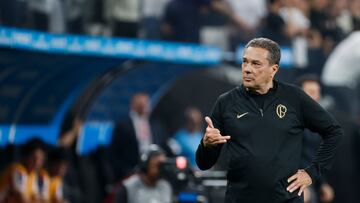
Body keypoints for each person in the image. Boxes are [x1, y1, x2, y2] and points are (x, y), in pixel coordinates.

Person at [195, 38, 343, 203]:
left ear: (273, 69)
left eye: (256, 64)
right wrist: (206, 145)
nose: (248, 69)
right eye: (245, 62)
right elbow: (203, 163)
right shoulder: (226, 102)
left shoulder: (294, 98)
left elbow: (334, 132)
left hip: (286, 199)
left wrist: (312, 173)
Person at [108, 93, 167, 182]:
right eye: (141, 104)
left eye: (146, 103)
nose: (144, 106)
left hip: (154, 172)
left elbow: (163, 145)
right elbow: (114, 152)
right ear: (133, 105)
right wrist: (126, 171)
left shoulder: (155, 125)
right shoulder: (123, 126)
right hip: (131, 172)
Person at [296, 75, 334, 203]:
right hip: (291, 180)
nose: (315, 97)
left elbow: (314, 156)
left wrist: (322, 183)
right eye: (311, 92)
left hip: (310, 180)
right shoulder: (291, 121)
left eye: (317, 92)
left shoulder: (319, 123)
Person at [0, 138, 47, 203]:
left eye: (40, 159)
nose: (37, 162)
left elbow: (39, 198)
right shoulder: (18, 170)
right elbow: (22, 199)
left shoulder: (33, 175)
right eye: (34, 158)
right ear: (26, 156)